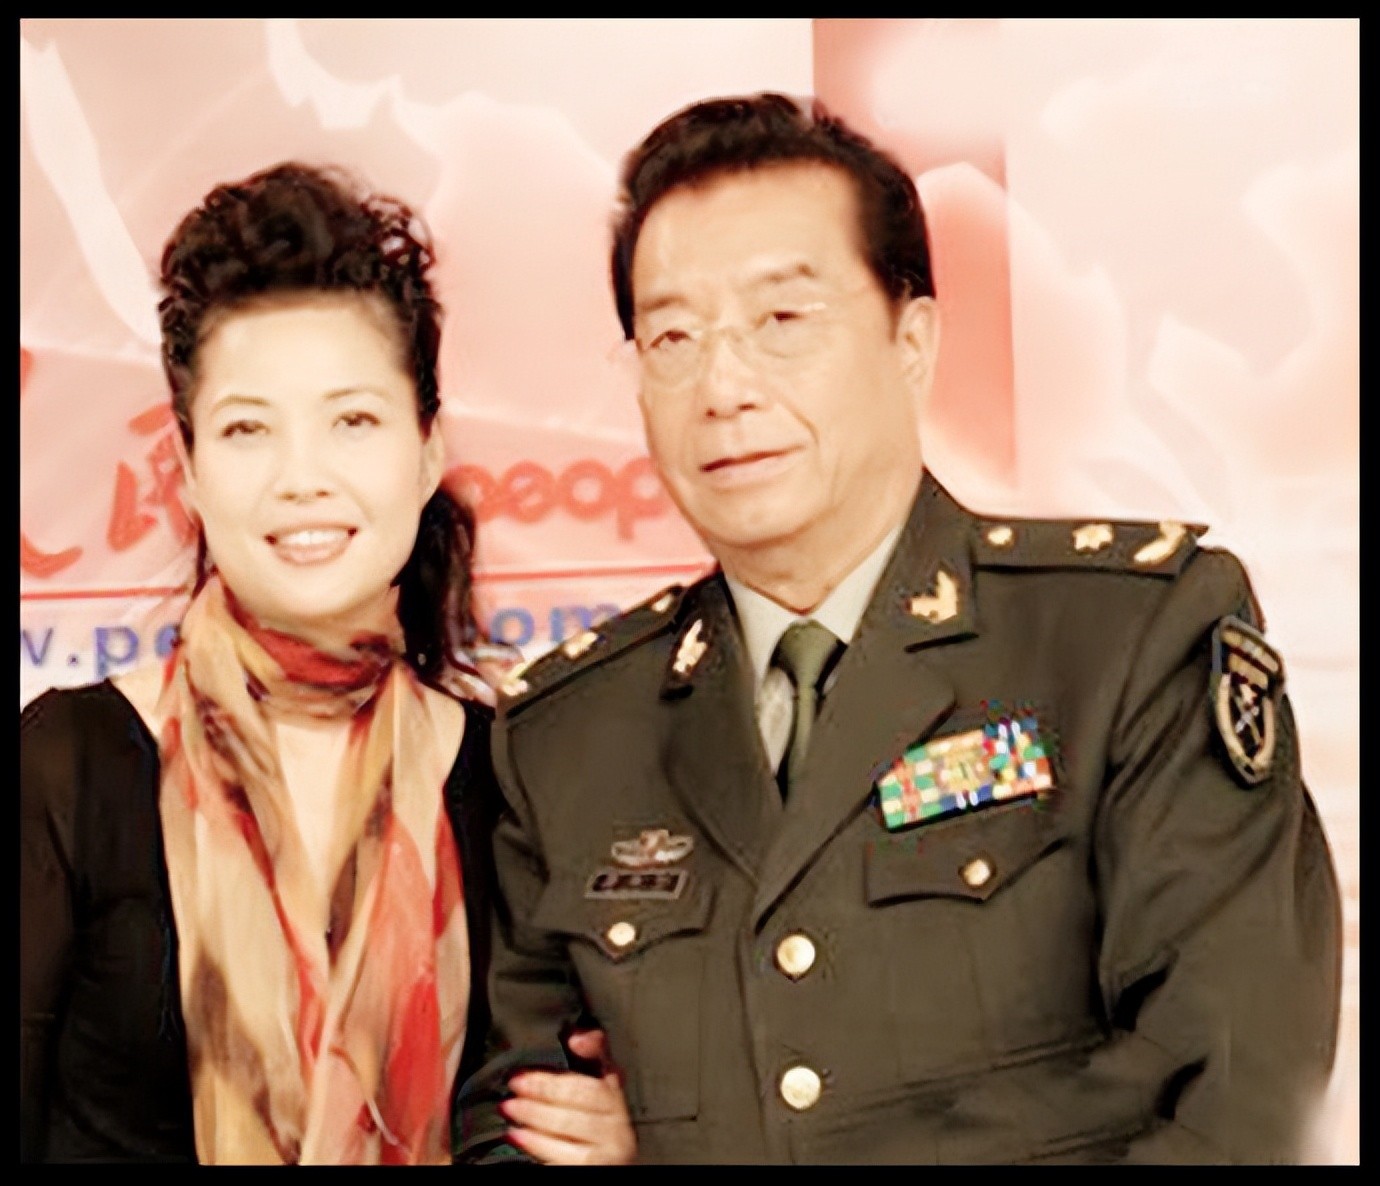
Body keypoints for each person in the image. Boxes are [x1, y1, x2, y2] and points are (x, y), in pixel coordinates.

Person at [455, 94, 1342, 1164]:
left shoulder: (1127, 639)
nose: (724, 386)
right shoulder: (567, 733)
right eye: (673, 336)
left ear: (911, 339)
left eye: (783, 320)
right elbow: (516, 1125)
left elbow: (1232, 1099)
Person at [20, 162, 634, 1165]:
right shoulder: (67, 765)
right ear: (188, 470)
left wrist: (628, 1141)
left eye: (352, 419)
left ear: (427, 451)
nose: (301, 477)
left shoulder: (512, 779)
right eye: (247, 429)